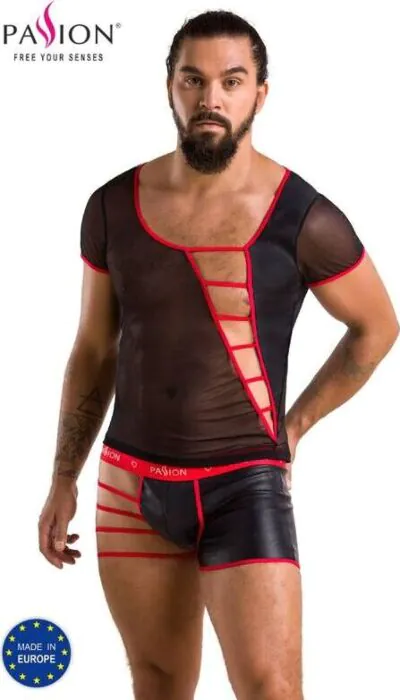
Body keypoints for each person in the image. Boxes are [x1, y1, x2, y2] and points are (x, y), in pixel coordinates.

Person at [38, 10, 399, 700]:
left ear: (260, 93)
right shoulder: (111, 206)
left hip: (245, 485)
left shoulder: (303, 216)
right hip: (130, 488)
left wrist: (295, 425)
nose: (211, 99)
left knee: (271, 688)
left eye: (231, 82)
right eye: (193, 80)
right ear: (169, 88)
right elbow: (93, 348)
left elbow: (377, 327)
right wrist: (62, 477)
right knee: (159, 683)